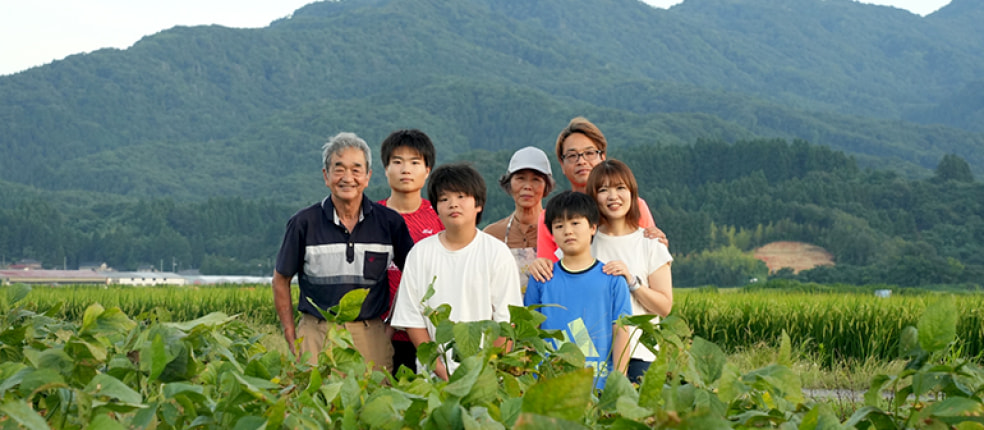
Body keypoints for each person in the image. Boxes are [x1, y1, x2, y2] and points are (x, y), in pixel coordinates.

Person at [272, 132, 414, 372]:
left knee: (372, 402)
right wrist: (290, 331)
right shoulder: (303, 223)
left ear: (368, 177)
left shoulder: (389, 223)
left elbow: (413, 275)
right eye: (339, 169)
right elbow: (281, 279)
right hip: (316, 332)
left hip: (370, 333)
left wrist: (390, 325)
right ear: (326, 176)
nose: (348, 177)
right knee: (314, 402)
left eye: (356, 170)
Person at [390, 163, 523, 381]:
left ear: (478, 204)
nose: (453, 204)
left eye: (461, 196)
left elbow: (507, 321)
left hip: (485, 376)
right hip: (432, 378)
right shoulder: (420, 254)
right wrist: (440, 369)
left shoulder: (497, 253)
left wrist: (488, 369)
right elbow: (412, 319)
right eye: (444, 199)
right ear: (435, 207)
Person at [525, 190, 632, 390]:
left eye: (575, 223)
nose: (567, 231)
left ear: (593, 227)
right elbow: (530, 333)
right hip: (549, 384)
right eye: (559, 226)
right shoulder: (542, 278)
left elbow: (621, 333)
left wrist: (619, 384)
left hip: (598, 385)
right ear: (552, 233)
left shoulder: (612, 279)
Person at [586, 160, 673, 382]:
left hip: (640, 354)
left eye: (620, 188)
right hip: (590, 354)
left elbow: (664, 307)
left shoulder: (650, 243)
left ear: (632, 194)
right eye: (603, 190)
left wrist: (632, 282)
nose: (613, 196)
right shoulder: (584, 243)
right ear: (593, 197)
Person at [535, 117, 666, 263]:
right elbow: (548, 270)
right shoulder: (550, 216)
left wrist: (658, 247)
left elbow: (654, 261)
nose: (581, 161)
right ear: (562, 164)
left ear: (602, 157)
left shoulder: (632, 205)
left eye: (589, 153)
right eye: (572, 156)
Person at [377, 129, 444, 373]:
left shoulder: (440, 216)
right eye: (397, 162)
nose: (406, 169)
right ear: (386, 169)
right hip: (381, 333)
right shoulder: (371, 218)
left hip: (429, 334)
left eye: (415, 162)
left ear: (427, 171)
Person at [483, 146, 555, 293]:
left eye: (536, 180)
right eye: (520, 178)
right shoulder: (492, 234)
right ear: (509, 184)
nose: (527, 186)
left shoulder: (557, 229)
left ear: (546, 186)